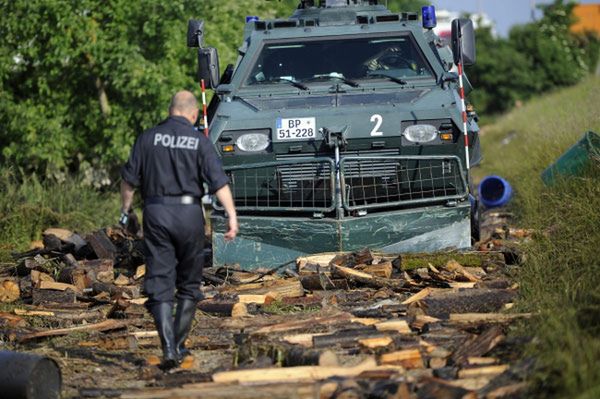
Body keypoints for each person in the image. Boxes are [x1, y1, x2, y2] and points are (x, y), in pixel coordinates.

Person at [119, 90, 238, 370]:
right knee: (189, 283)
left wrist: (126, 212)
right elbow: (218, 183)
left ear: (170, 110)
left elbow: (128, 182)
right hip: (189, 214)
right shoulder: (199, 140)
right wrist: (231, 215)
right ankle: (179, 344)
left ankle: (169, 347)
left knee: (160, 282)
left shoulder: (147, 138)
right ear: (193, 114)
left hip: (156, 213)